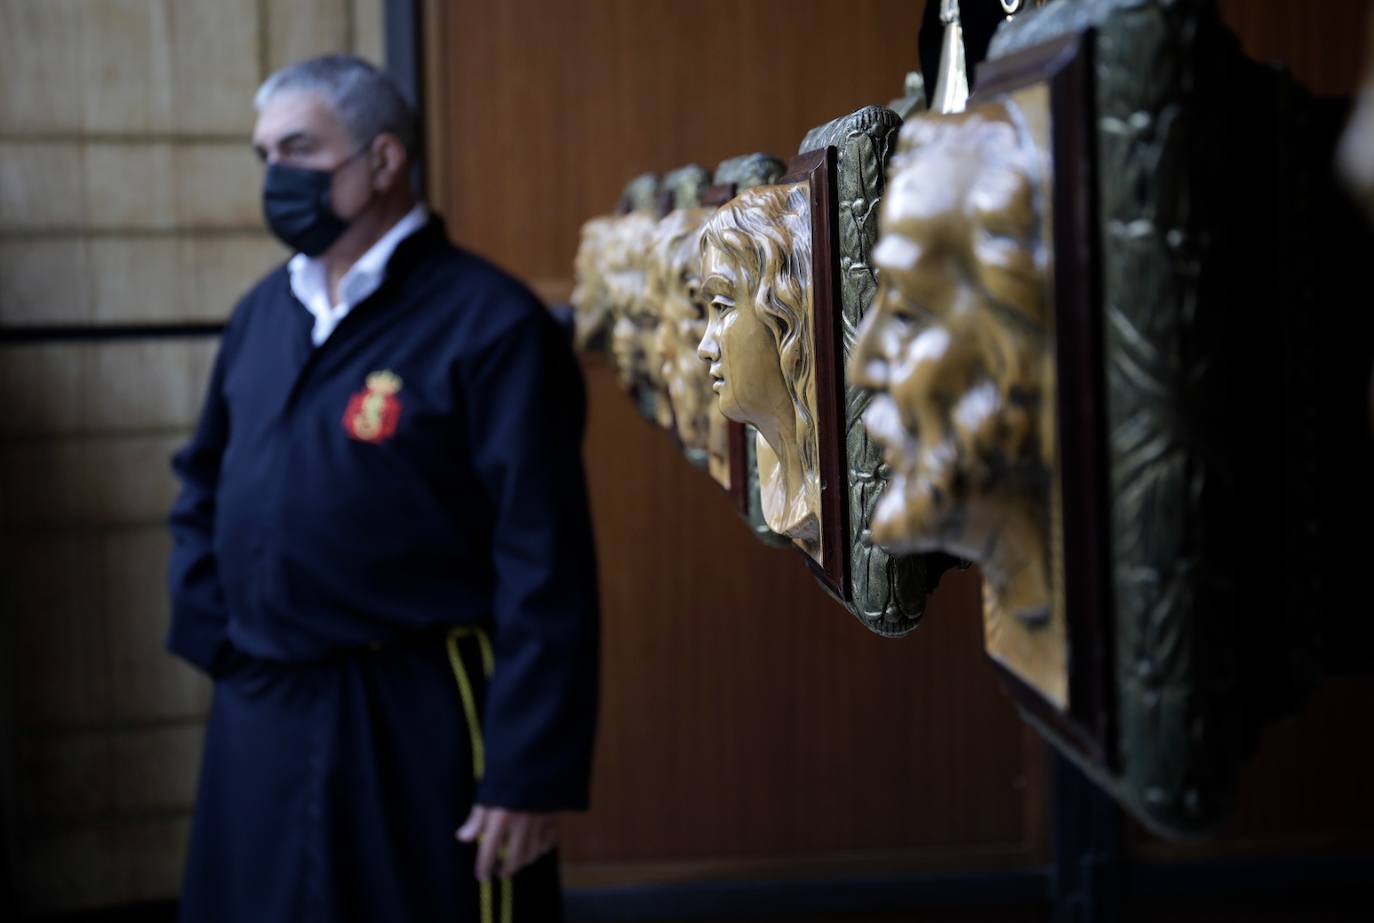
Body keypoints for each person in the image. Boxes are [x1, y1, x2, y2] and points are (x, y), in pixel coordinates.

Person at [166, 54, 598, 922]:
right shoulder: (263, 312)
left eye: (298, 149)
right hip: (263, 705)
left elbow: (544, 559)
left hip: (419, 714)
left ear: (384, 159)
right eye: (263, 156)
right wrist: (219, 633)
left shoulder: (490, 322)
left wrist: (527, 769)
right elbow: (200, 481)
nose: (274, 177)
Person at [696, 183, 821, 560]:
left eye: (722, 307)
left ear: (785, 309)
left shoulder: (826, 482)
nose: (704, 347)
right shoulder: (768, 455)